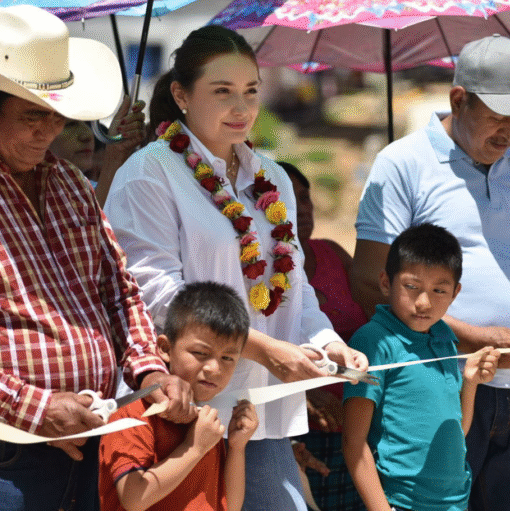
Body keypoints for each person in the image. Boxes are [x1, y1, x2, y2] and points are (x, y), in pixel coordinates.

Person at [0, 6, 193, 511]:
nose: (48, 130)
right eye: (32, 115)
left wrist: (148, 371)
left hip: (89, 436)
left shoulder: (69, 183)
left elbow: (118, 291)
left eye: (58, 115)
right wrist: (36, 407)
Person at [104, 25, 368, 511]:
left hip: (263, 410)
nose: (241, 107)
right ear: (181, 96)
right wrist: (265, 351)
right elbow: (156, 295)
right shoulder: (147, 173)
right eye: (222, 91)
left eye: (250, 91)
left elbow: (293, 283)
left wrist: (328, 344)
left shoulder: (272, 177)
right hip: (186, 413)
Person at [351, 35, 510, 511]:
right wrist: (470, 338)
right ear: (459, 100)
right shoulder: (402, 164)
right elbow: (369, 282)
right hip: (438, 387)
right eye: (498, 117)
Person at [344, 223, 500, 511]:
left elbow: (456, 431)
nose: (424, 302)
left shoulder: (444, 339)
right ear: (386, 282)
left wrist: (470, 383)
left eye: (439, 290)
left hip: (455, 502)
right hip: (400, 503)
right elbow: (353, 444)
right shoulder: (373, 342)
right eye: (412, 287)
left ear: (455, 292)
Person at [99, 282, 258, 511]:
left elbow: (230, 506)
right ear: (164, 348)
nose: (214, 368)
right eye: (201, 353)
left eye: (227, 358)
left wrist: (237, 447)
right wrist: (193, 449)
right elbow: (134, 498)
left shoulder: (205, 420)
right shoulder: (133, 415)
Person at [281, 161, 367, 510]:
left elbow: (377, 315)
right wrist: (307, 395)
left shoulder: (332, 253)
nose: (302, 208)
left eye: (305, 197)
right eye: (290, 199)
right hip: (299, 431)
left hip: (358, 419)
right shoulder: (256, 268)